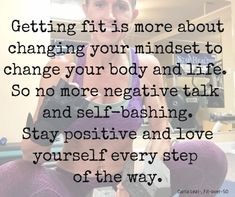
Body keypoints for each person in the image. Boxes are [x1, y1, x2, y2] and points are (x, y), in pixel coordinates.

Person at [0, 0, 228, 196]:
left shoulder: (147, 67)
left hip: (125, 186)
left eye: (120, 6)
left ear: (133, 15)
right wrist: (47, 126)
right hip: (68, 187)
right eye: (100, 4)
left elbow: (161, 132)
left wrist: (146, 180)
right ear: (86, 10)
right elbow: (32, 156)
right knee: (12, 174)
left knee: (206, 155)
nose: (109, 16)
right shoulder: (60, 69)